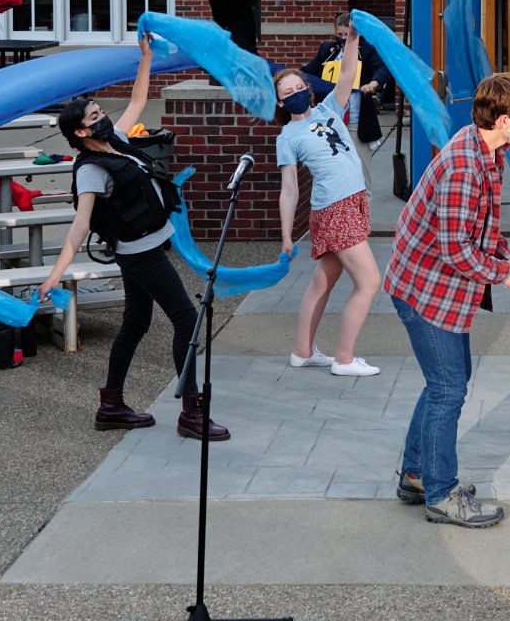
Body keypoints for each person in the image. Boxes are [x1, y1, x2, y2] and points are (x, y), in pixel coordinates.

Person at [38, 36, 229, 442]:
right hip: (141, 256)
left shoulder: (115, 142)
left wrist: (145, 58)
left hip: (148, 247)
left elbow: (138, 101)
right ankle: (191, 412)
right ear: (79, 129)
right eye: (95, 114)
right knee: (187, 321)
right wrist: (57, 274)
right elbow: (80, 225)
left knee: (136, 322)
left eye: (101, 110)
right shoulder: (90, 169)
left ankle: (110, 406)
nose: (103, 116)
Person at [384, 73, 510, 528]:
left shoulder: (489, 151)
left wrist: (507, 255)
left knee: (444, 384)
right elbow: (456, 250)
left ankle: (417, 473)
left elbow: (480, 229)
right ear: (507, 119)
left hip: (438, 287)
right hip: (426, 291)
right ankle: (441, 493)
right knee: (449, 389)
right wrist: (502, 273)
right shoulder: (462, 167)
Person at [275, 24, 382, 377]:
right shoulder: (287, 136)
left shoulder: (327, 111)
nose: (294, 94)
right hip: (334, 209)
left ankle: (302, 352)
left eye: (298, 88)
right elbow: (289, 190)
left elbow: (348, 74)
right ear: (280, 101)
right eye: (286, 92)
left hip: (349, 204)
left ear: (308, 88)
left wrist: (351, 40)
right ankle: (345, 359)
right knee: (368, 283)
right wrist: (287, 236)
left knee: (323, 281)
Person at [302, 11, 392, 186]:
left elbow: (382, 70)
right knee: (332, 175)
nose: (343, 38)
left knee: (360, 177)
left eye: (347, 34)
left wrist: (373, 83)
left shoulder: (367, 50)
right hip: (329, 124)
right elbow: (308, 72)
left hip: (355, 124)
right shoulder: (327, 50)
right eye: (339, 35)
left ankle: (363, 213)